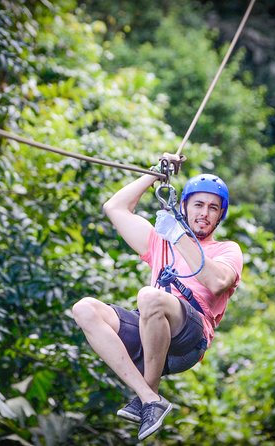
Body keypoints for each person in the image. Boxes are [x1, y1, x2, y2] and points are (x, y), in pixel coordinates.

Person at [71, 155, 243, 441]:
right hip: (152, 330)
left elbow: (215, 282)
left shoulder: (227, 249)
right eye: (198, 205)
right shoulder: (159, 241)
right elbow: (114, 207)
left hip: (189, 337)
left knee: (150, 296)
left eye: (213, 208)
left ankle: (149, 393)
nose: (204, 213)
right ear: (183, 206)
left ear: (219, 215)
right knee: (85, 309)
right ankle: (148, 398)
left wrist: (178, 236)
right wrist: (154, 174)